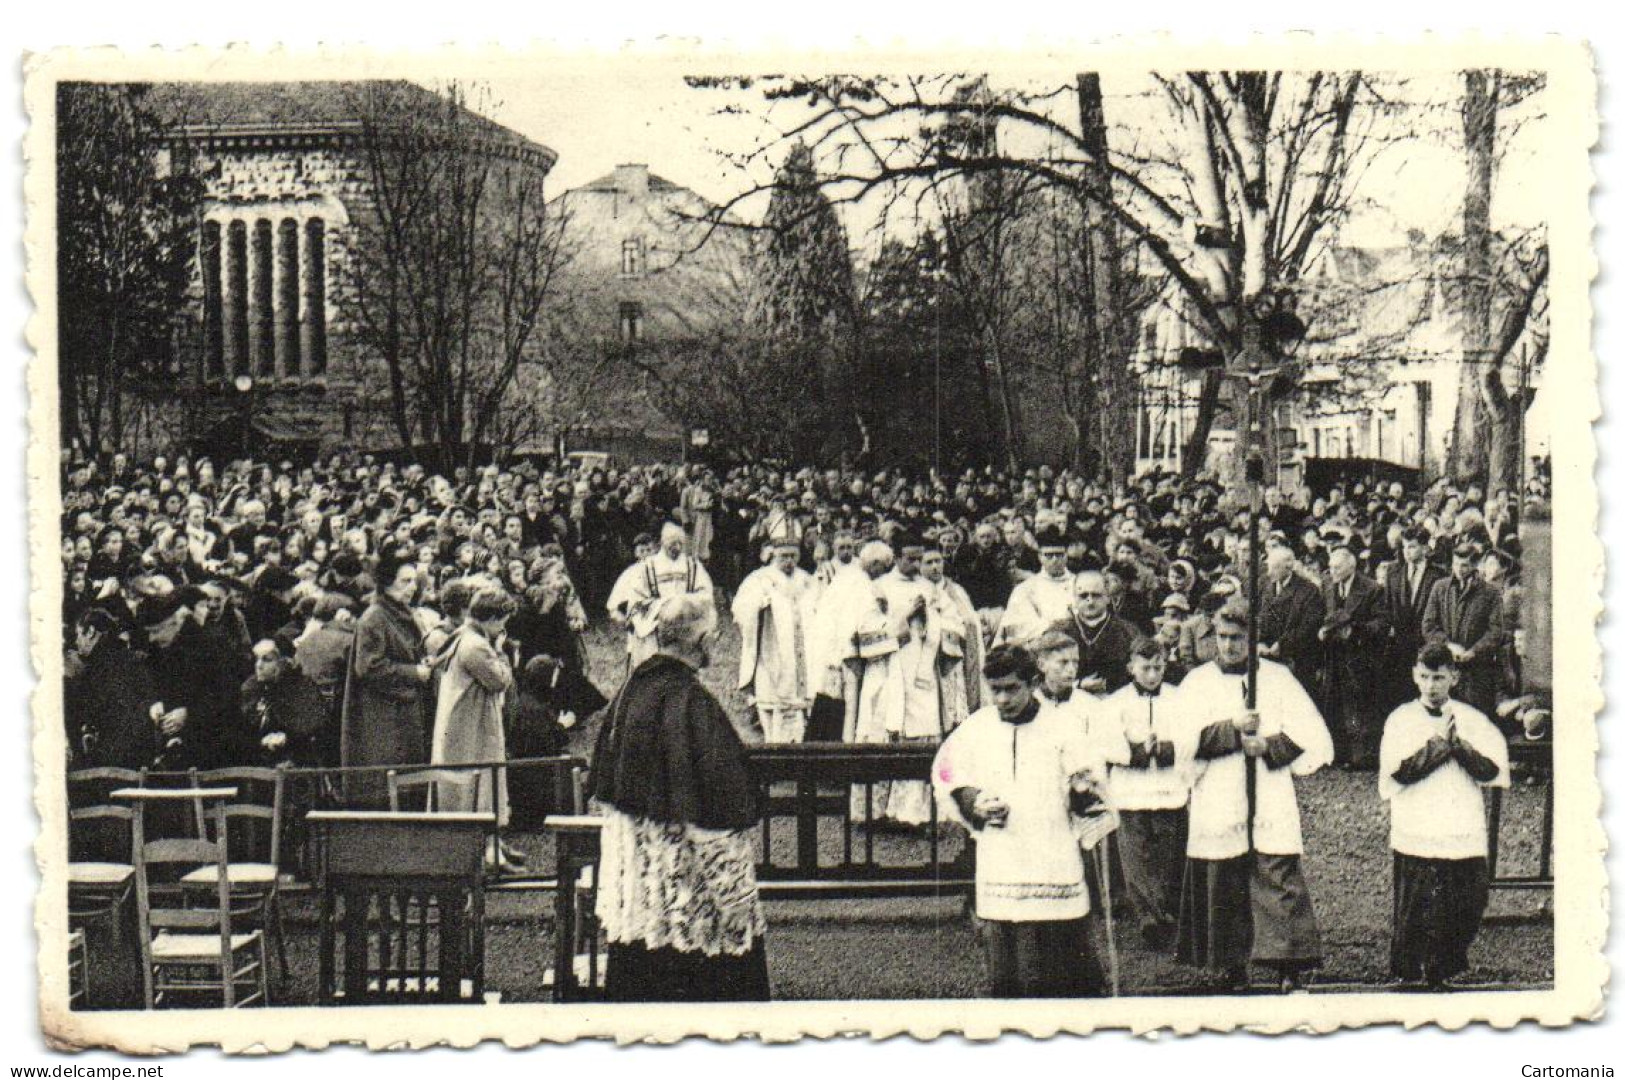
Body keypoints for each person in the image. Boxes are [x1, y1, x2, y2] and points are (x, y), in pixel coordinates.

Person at [590, 593, 769, 1002]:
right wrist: (735, 902)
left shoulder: (629, 693)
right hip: (686, 904)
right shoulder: (691, 703)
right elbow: (715, 816)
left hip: (641, 900)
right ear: (701, 641)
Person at [931, 645, 1109, 998]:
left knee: (1053, 970)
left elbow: (1091, 783)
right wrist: (974, 800)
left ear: (1032, 683)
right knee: (1005, 967)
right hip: (1002, 856)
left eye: (1011, 688)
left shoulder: (1063, 727)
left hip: (1051, 854)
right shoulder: (976, 727)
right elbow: (946, 771)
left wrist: (1082, 788)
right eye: (995, 689)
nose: (1002, 698)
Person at [1174, 602, 1334, 992]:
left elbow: (1313, 736)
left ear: (1252, 640)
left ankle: (1288, 966)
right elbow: (1182, 743)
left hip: (1266, 786)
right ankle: (1232, 966)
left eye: (1237, 639)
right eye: (1222, 638)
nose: (1228, 646)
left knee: (1276, 872)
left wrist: (1265, 744)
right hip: (1221, 788)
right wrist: (1231, 730)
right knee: (1224, 879)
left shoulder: (1277, 679)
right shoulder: (1197, 682)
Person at [1379, 643, 1509, 989]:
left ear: (1454, 677)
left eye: (1439, 677)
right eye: (1424, 677)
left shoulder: (1473, 719)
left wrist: (1461, 746)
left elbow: (1490, 770)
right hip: (1419, 822)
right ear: (1414, 676)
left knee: (1464, 898)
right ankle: (1409, 972)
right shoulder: (1401, 719)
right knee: (1417, 901)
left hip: (1459, 822)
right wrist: (1440, 746)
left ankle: (1443, 968)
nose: (1431, 685)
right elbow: (1399, 772)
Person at [1097, 636, 1189, 950]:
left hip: (1167, 787)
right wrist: (1136, 751)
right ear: (1131, 668)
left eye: (1157, 667)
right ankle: (1146, 915)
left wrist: (1163, 748)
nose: (1152, 675)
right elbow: (1107, 742)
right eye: (1145, 668)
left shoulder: (1179, 698)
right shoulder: (1115, 703)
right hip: (1130, 790)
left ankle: (1163, 909)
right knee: (1134, 854)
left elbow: (1189, 736)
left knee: (1165, 851)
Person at [430, 587, 520, 868]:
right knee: (478, 788)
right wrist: (501, 651)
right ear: (491, 618)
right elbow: (500, 680)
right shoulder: (476, 646)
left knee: (476, 788)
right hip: (471, 728)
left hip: (464, 724)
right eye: (503, 620)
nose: (504, 627)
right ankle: (481, 854)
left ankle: (491, 848)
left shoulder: (461, 637)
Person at [340, 555, 433, 805]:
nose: (413, 587)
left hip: (403, 710)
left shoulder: (402, 613)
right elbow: (369, 667)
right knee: (388, 785)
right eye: (405, 581)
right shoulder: (375, 617)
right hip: (382, 716)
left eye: (414, 581)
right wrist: (414, 672)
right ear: (387, 583)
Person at [732, 536, 819, 743]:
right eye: (783, 556)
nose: (788, 561)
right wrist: (759, 604)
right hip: (771, 648)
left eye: (792, 556)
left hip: (802, 649)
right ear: (774, 555)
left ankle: (798, 743)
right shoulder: (759, 578)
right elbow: (740, 608)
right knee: (772, 700)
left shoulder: (807, 579)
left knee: (801, 704)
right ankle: (771, 741)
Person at [1421, 541, 1503, 716]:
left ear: (1474, 565)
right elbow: (1428, 625)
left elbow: (1495, 631)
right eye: (1456, 564)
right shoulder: (1440, 587)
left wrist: (1474, 651)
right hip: (1446, 667)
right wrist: (1448, 646)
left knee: (1474, 721)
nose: (1459, 569)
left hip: (1477, 672)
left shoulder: (1491, 593)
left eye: (1464, 565)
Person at [240, 637, 328, 766]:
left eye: (267, 660)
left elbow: (313, 725)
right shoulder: (251, 688)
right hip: (258, 757)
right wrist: (260, 741)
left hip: (296, 756)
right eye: (257, 659)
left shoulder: (301, 686)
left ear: (284, 662)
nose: (259, 665)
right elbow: (244, 726)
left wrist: (288, 738)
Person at [1050, 569, 1136, 696]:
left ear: (1107, 598)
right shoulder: (1057, 632)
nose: (1090, 600)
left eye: (1096, 595)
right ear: (1074, 598)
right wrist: (1077, 685)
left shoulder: (1129, 632)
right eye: (1083, 595)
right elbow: (1042, 675)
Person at [995, 527, 1073, 645]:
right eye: (1049, 555)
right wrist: (1050, 626)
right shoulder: (1025, 588)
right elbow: (1015, 627)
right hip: (1037, 646)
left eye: (1059, 555)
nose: (1055, 560)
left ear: (1066, 555)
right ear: (1040, 557)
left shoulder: (1079, 583)